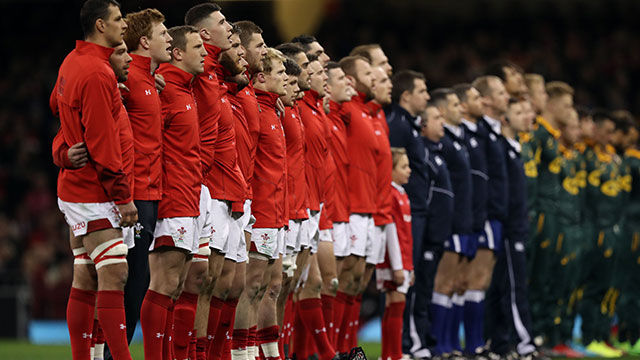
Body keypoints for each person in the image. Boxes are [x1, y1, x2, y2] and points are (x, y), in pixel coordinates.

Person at [50, 1, 135, 359]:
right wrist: (123, 197)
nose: (123, 25)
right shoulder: (99, 74)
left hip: (79, 188)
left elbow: (58, 107)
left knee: (86, 276)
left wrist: (62, 151)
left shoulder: (73, 62)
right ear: (101, 25)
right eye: (118, 20)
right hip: (95, 191)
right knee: (115, 275)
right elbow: (103, 146)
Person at [117, 8, 172, 358]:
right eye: (162, 33)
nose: (168, 38)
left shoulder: (149, 80)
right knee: (131, 279)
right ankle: (108, 352)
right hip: (135, 195)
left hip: (152, 192)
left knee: (139, 280)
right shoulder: (127, 82)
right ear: (144, 41)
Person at [153, 24, 207, 360]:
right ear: (177, 52)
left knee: (181, 283)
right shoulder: (164, 89)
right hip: (171, 197)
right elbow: (148, 144)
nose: (204, 53)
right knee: (164, 283)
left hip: (191, 195)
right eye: (197, 47)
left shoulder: (187, 88)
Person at [486, 99, 540, 358]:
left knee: (502, 288)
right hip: (508, 230)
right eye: (518, 112)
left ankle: (499, 344)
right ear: (505, 120)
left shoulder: (514, 148)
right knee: (514, 288)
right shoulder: (500, 148)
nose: (525, 116)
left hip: (516, 227)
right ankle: (525, 344)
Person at [244, 47, 289, 360]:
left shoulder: (272, 110)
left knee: (272, 287)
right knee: (252, 288)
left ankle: (270, 355)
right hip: (259, 211)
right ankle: (243, 354)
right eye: (281, 72)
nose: (287, 78)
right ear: (261, 76)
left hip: (277, 211)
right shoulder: (255, 111)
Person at [385, 70, 432, 357]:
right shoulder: (398, 126)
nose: (427, 96)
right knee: (399, 279)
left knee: (409, 279)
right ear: (406, 96)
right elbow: (393, 165)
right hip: (403, 211)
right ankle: (402, 344)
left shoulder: (409, 125)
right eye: (422, 91)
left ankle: (405, 344)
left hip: (412, 208)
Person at [335, 55, 378, 352]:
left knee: (355, 282)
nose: (377, 76)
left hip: (368, 208)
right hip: (345, 207)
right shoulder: (346, 109)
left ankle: (347, 347)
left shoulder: (369, 111)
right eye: (372, 71)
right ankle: (328, 348)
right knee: (333, 281)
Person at [525, 81, 572, 348]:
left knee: (548, 278)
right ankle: (532, 335)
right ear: (551, 104)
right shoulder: (537, 133)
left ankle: (542, 336)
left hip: (552, 214)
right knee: (536, 278)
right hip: (540, 212)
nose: (569, 111)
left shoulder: (550, 135)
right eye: (565, 105)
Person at [232, 20, 268, 360]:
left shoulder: (247, 93)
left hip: (245, 198)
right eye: (258, 45)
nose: (263, 52)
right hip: (216, 196)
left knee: (248, 286)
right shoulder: (222, 87)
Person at [428, 88, 473, 357]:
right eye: (457, 104)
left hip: (465, 223)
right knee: (443, 284)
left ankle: (450, 343)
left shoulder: (457, 141)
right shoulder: (442, 143)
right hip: (452, 223)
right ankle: (439, 344)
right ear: (442, 110)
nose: (462, 108)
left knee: (457, 285)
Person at [579, 110, 625, 358]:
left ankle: (602, 335)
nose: (610, 137)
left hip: (613, 229)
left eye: (612, 132)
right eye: (606, 131)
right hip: (594, 229)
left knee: (609, 287)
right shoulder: (586, 157)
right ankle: (589, 336)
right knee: (593, 286)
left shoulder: (613, 159)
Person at [471, 75, 509, 358]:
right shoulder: (481, 132)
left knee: (484, 282)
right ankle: (471, 344)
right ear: (485, 100)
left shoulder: (495, 131)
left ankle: (479, 343)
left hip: (496, 215)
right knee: (473, 280)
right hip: (482, 214)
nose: (506, 96)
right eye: (500, 92)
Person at [453, 83, 491, 356]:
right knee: (457, 281)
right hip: (460, 220)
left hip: (478, 216)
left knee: (475, 281)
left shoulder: (478, 136)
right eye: (477, 98)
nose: (484, 102)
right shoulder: (459, 138)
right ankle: (448, 342)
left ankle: (471, 342)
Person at [325, 61, 355, 347]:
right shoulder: (325, 116)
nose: (350, 85)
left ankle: (343, 349)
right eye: (341, 80)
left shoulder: (340, 117)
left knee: (349, 282)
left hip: (345, 210)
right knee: (323, 283)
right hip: (325, 211)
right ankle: (316, 351)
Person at [376, 147, 414, 360]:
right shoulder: (390, 194)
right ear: (390, 170)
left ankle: (389, 354)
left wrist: (410, 267)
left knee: (395, 303)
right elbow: (391, 232)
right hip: (393, 260)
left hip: (404, 260)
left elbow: (406, 235)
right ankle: (393, 354)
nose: (409, 170)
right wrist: (399, 266)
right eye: (404, 166)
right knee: (396, 303)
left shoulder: (402, 194)